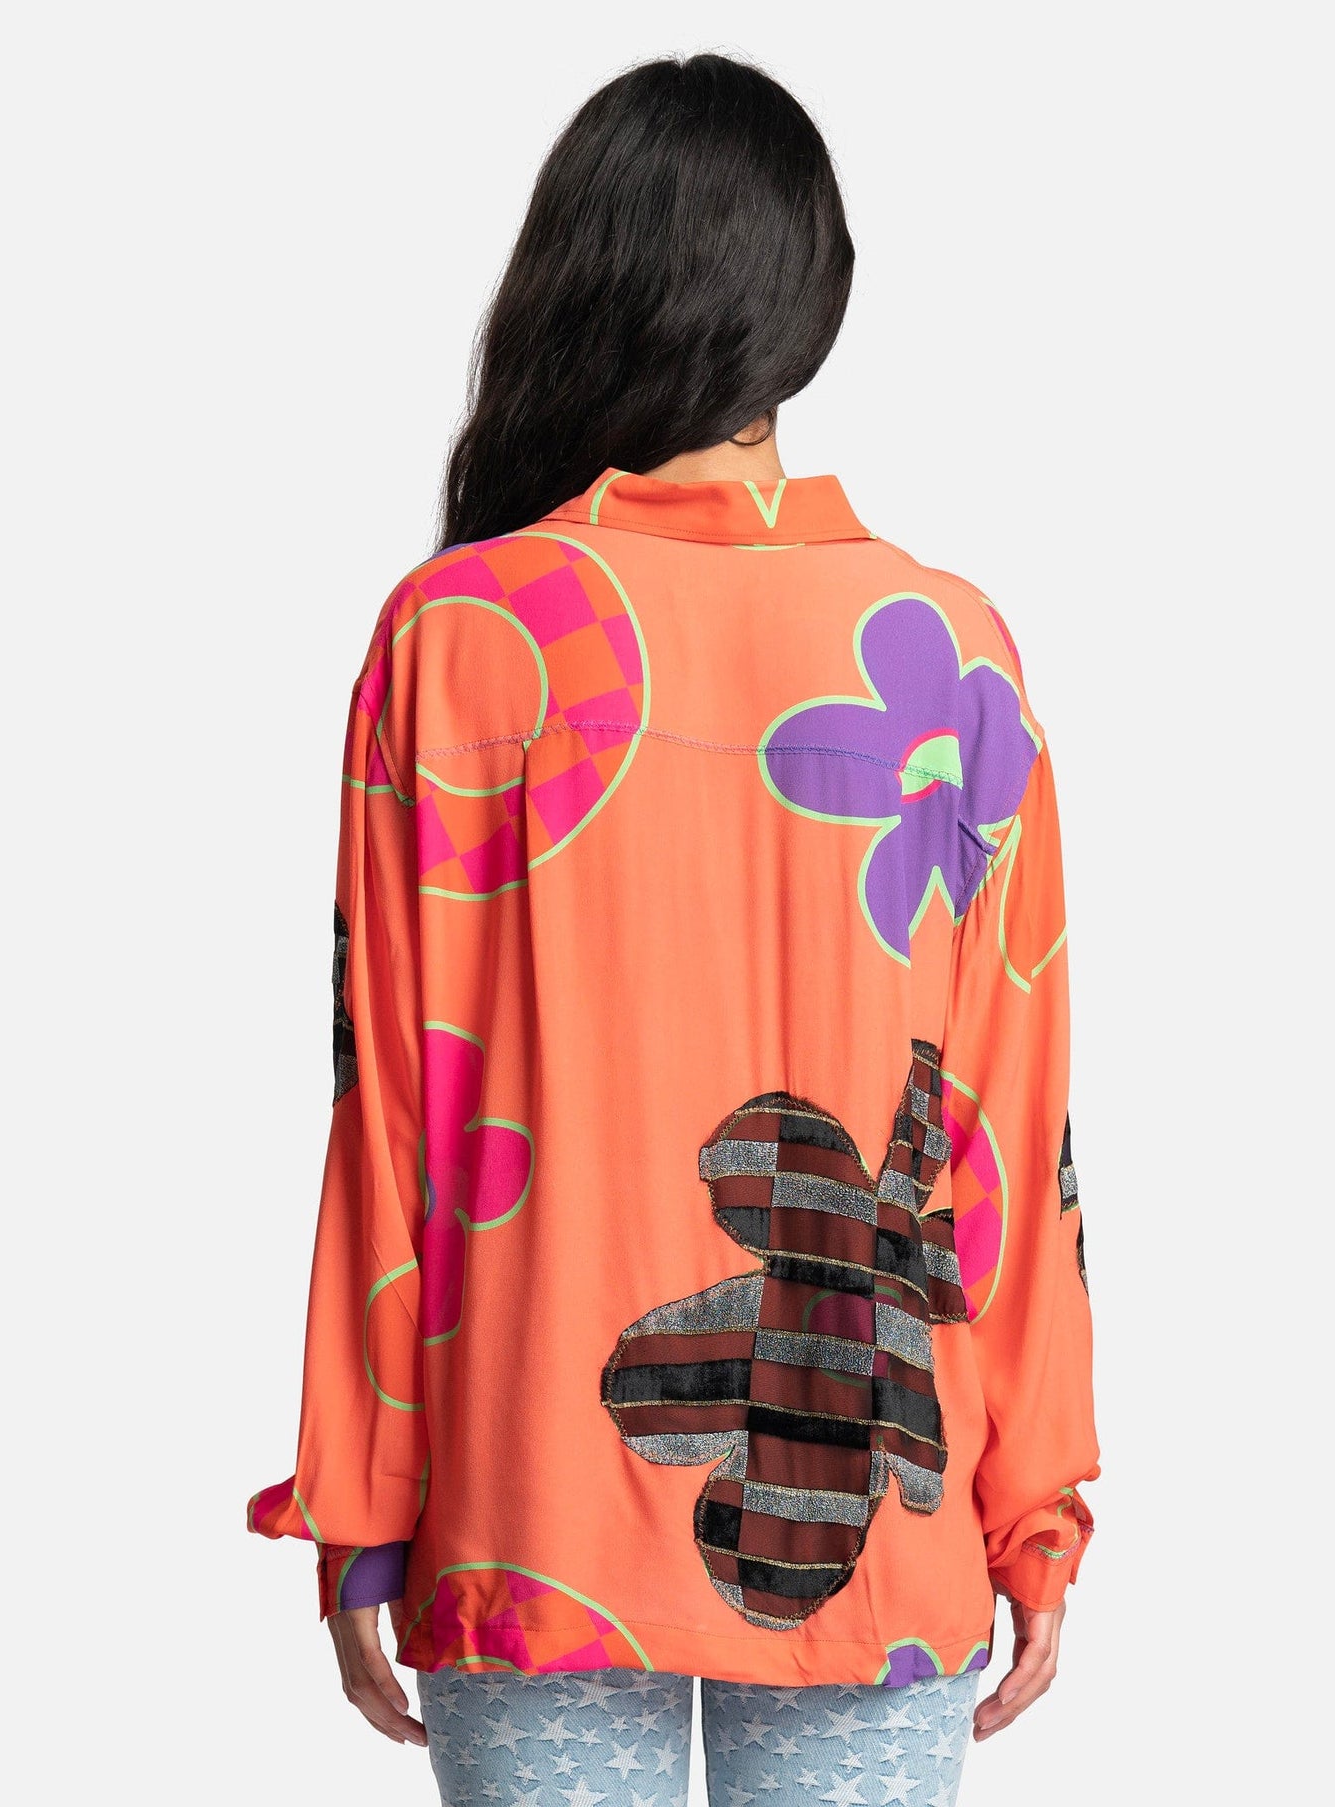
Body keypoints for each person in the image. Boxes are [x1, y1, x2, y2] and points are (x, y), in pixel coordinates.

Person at [246, 52, 1099, 1807]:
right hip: (874, 1509)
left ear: (576, 275)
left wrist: (364, 1502)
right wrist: (1032, 1505)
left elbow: (391, 1112)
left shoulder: (457, 641)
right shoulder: (949, 654)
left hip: (527, 1500)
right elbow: (1009, 1134)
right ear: (813, 299)